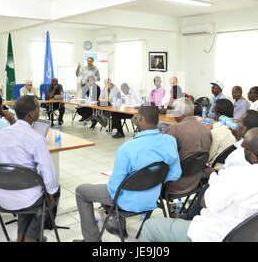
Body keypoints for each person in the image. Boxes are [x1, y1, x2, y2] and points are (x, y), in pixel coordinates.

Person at [140, 127, 258, 242]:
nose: (241, 147)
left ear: (253, 156)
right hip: (254, 237)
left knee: (150, 226)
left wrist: (217, 180)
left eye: (244, 146)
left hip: (214, 235)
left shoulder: (237, 176)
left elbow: (206, 203)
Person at [74, 104, 182, 242]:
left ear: (140, 118)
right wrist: (151, 179)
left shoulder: (127, 148)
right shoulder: (170, 141)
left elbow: (114, 187)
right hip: (152, 198)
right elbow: (175, 174)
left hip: (126, 202)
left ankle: (92, 240)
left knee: (81, 191)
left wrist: (110, 203)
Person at [0, 96, 60, 242]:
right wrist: (51, 197)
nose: (39, 111)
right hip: (26, 197)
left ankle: (21, 238)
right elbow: (48, 174)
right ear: (31, 114)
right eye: (37, 108)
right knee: (46, 196)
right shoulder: (36, 138)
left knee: (26, 189)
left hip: (1, 196)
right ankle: (31, 239)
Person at [164, 98, 212, 196]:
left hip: (174, 185)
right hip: (197, 181)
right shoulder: (206, 129)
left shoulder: (174, 129)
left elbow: (163, 157)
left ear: (179, 113)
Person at [208, 99, 236, 166]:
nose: (213, 114)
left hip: (217, 169)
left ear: (219, 115)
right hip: (233, 166)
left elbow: (209, 157)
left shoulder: (216, 131)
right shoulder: (240, 128)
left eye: (213, 111)